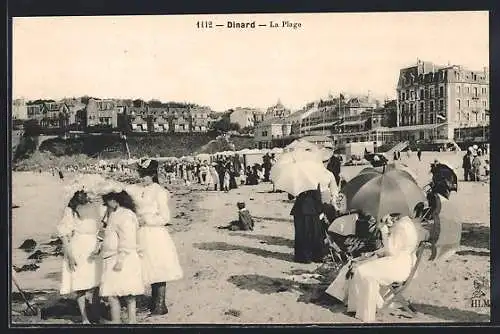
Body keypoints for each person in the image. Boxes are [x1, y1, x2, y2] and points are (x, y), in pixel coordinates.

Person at [326, 214, 419, 322]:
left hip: (398, 266)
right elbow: (396, 248)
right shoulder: (407, 223)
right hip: (404, 263)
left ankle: (366, 311)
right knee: (363, 268)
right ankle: (368, 305)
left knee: (362, 271)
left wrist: (384, 229)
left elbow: (391, 251)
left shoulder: (401, 226)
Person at [130, 158, 183, 315]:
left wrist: (146, 219)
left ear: (153, 174)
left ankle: (160, 304)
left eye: (146, 175)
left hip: (155, 233)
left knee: (158, 266)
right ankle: (154, 302)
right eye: (141, 174)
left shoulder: (159, 191)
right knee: (148, 266)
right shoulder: (138, 189)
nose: (143, 178)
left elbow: (165, 217)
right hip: (141, 233)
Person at [57, 190, 103, 324]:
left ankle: (96, 314)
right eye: (83, 194)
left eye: (87, 194)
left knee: (97, 282)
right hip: (78, 248)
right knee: (80, 285)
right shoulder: (70, 210)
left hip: (94, 247)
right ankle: (84, 318)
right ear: (77, 195)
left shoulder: (95, 207)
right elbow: (63, 234)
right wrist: (69, 255)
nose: (86, 196)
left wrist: (99, 245)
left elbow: (102, 229)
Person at [100, 190, 144, 324]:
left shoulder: (124, 215)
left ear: (114, 200)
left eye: (106, 201)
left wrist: (121, 259)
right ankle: (124, 322)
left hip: (122, 258)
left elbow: (128, 239)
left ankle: (124, 322)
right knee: (121, 293)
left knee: (120, 294)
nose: (105, 204)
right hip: (116, 257)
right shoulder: (117, 213)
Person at [290, 186, 326, 263]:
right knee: (314, 233)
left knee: (301, 234)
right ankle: (316, 256)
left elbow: (290, 196)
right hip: (311, 209)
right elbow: (317, 197)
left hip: (299, 209)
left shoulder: (296, 181)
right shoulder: (312, 180)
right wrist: (320, 210)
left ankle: (303, 257)